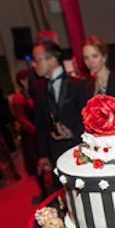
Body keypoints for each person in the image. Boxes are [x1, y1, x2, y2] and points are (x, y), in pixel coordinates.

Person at [31, 40, 87, 180]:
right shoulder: (37, 88)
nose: (33, 64)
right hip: (54, 151)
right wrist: (43, 155)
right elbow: (40, 124)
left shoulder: (78, 84)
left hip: (78, 147)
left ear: (52, 60)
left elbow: (87, 118)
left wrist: (73, 133)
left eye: (37, 60)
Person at [12, 69, 48, 202]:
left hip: (40, 133)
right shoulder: (18, 98)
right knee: (35, 163)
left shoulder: (36, 93)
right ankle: (43, 190)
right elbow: (22, 120)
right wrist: (38, 131)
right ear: (22, 81)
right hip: (31, 137)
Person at [82, 35, 115, 99]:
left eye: (95, 56)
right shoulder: (87, 86)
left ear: (104, 56)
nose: (90, 62)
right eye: (86, 58)